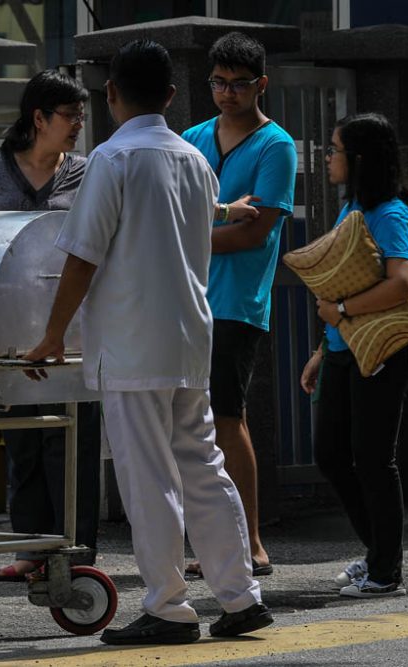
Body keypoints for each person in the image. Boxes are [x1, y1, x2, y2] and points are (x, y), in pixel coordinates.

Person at [24, 39, 272, 644]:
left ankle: (168, 606)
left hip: (133, 345)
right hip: (192, 337)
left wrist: (54, 334)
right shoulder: (194, 158)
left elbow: (83, 255)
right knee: (203, 466)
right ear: (170, 95)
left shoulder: (111, 159)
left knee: (148, 475)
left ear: (110, 95)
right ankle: (241, 597)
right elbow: (205, 216)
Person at [0, 69, 101, 581]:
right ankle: (30, 548)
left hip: (73, 325)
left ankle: (74, 551)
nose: (79, 124)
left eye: (82, 114)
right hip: (12, 331)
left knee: (71, 439)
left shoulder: (85, 173)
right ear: (38, 118)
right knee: (23, 438)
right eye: (70, 115)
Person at [181, 32, 298, 578]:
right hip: (183, 297)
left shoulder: (277, 146)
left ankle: (250, 539)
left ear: (262, 85)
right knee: (187, 421)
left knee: (228, 416)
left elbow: (255, 236)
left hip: (234, 302)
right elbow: (176, 219)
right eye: (219, 83)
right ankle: (206, 539)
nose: (227, 94)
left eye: (239, 84)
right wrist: (222, 218)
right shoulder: (192, 137)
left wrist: (189, 232)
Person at [299, 113, 408, 599]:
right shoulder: (351, 207)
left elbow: (403, 282)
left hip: (384, 351)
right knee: (331, 455)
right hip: (341, 352)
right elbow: (341, 284)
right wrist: (318, 351)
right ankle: (379, 555)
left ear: (360, 158)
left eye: (335, 149)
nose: (328, 157)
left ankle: (385, 573)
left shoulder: (390, 213)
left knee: (373, 460)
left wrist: (342, 309)